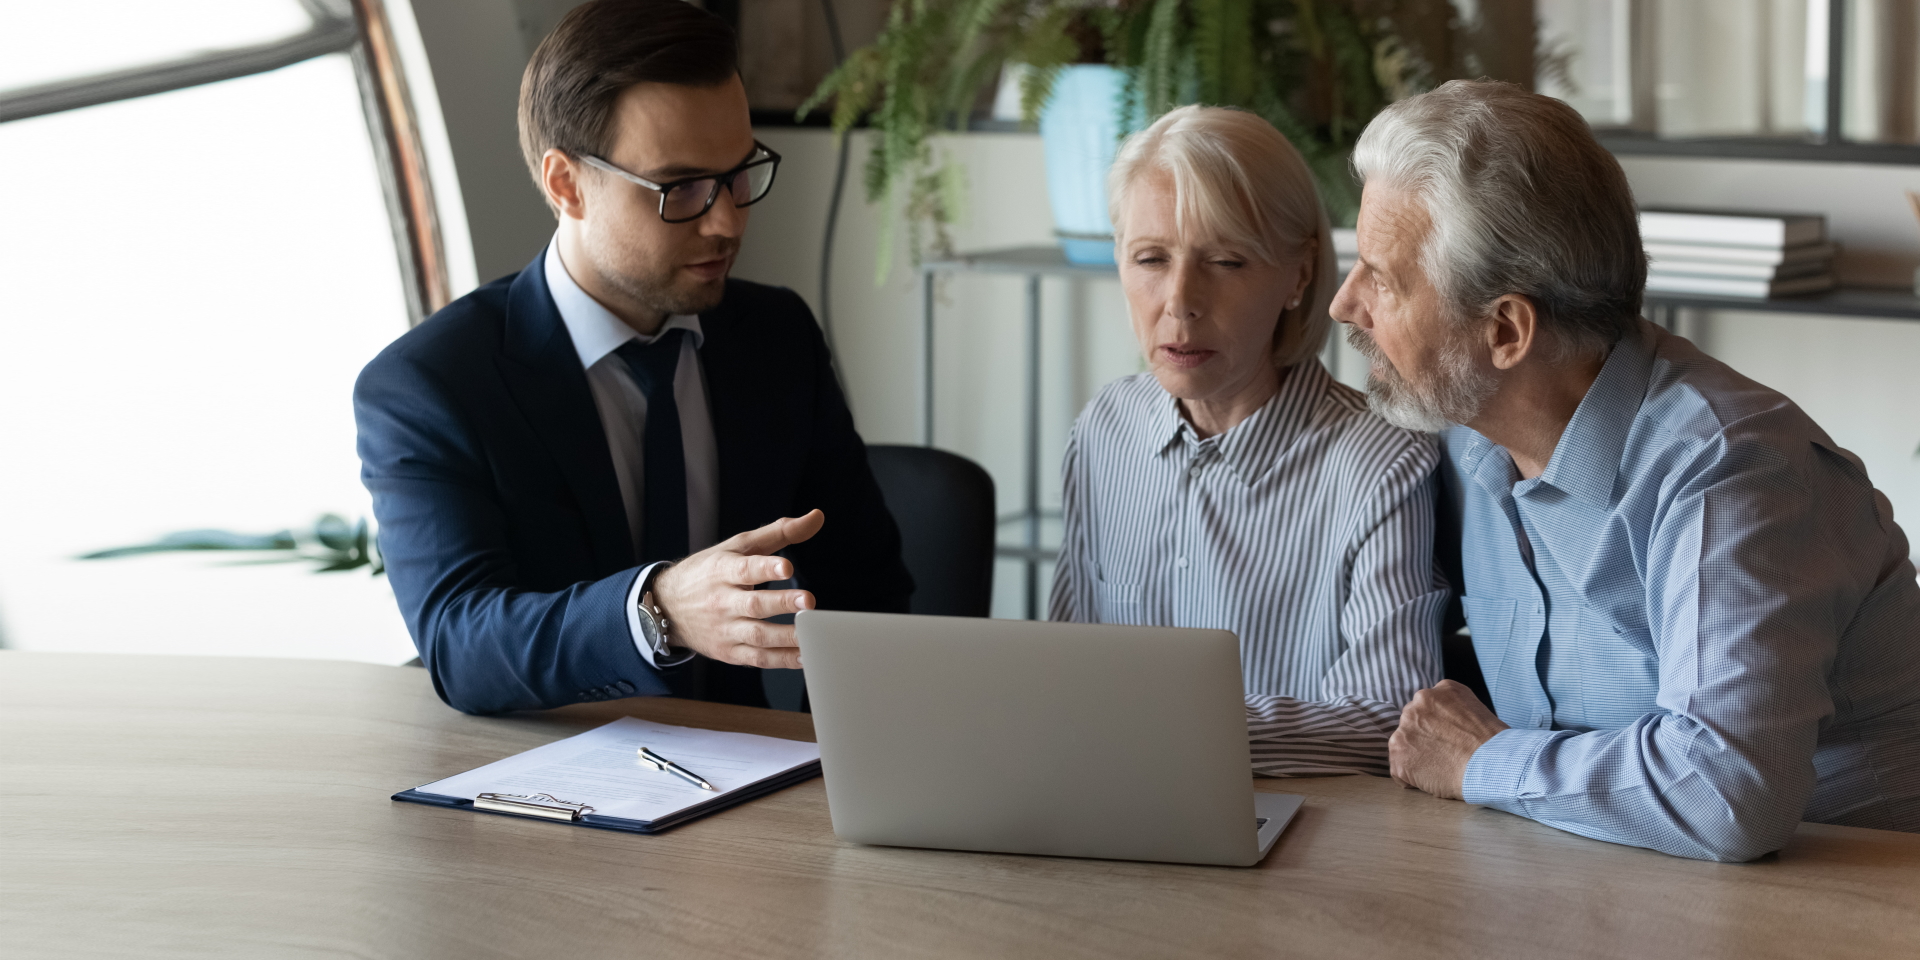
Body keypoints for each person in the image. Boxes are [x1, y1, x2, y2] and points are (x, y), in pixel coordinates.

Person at [1337, 80, 1920, 861]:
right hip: (1599, 879)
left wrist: (1483, 761)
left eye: (1384, 279)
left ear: (1506, 330)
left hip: (1845, 898)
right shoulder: (1469, 438)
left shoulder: (1731, 471)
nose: (1346, 304)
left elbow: (1726, 790)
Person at [353, 0, 911, 714]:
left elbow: (868, 591)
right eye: (680, 188)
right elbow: (462, 644)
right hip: (547, 796)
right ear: (566, 185)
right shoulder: (431, 386)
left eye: (739, 173)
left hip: (754, 782)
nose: (726, 220)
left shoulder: (776, 337)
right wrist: (658, 609)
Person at [1051, 106, 1446, 777]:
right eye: (1150, 258)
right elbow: (1062, 678)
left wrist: (1166, 733)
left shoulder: (1381, 464)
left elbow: (1390, 718)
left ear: (1298, 276)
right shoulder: (1104, 431)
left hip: (1301, 841)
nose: (1179, 301)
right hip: (1104, 814)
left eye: (1226, 261)